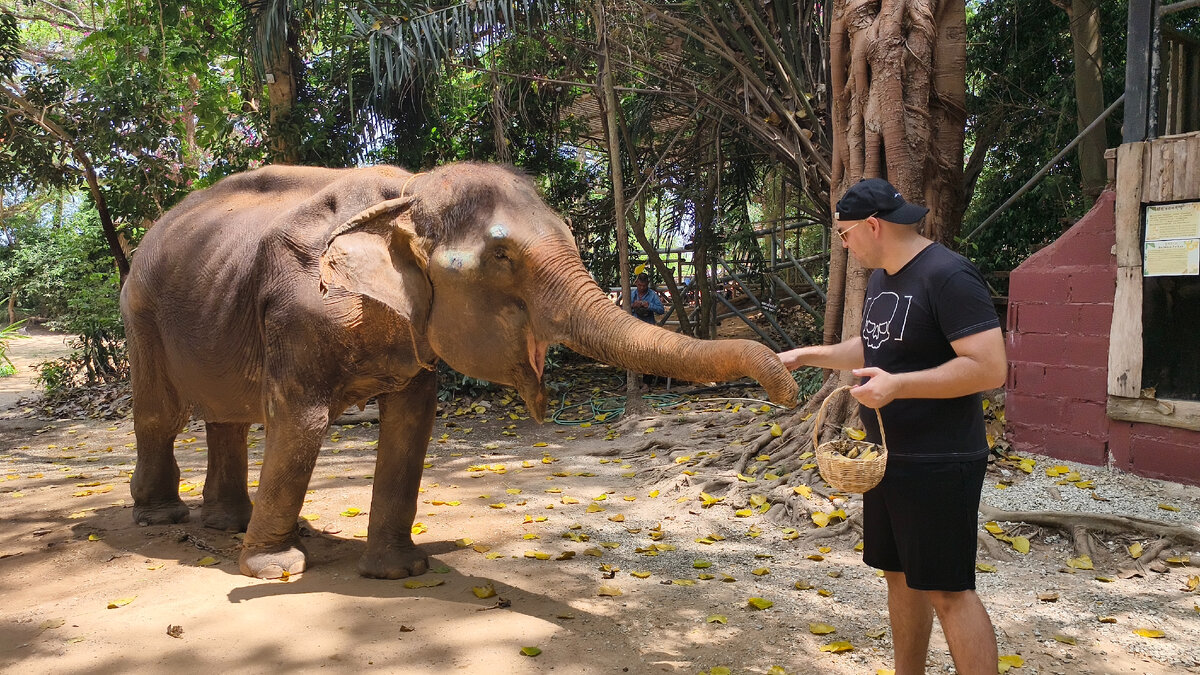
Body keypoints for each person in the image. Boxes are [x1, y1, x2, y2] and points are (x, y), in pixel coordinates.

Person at [779, 178, 1007, 675]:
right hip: (888, 456)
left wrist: (899, 387)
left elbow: (990, 368)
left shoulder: (948, 275)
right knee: (899, 576)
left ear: (873, 225)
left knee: (948, 591)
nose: (843, 244)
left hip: (941, 459)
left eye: (843, 234)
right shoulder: (885, 275)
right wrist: (803, 355)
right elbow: (873, 346)